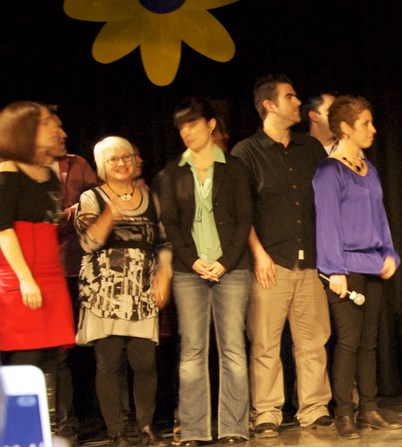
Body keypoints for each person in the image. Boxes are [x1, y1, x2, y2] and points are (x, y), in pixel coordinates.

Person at [231, 75, 334, 436]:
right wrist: (259, 255)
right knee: (265, 343)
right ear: (269, 105)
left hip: (309, 260)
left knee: (313, 341)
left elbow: (326, 201)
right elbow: (240, 212)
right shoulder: (246, 152)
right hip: (270, 262)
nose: (297, 102)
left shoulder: (310, 148)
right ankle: (266, 411)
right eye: (290, 97)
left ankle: (314, 407)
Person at [159, 97, 254, 445]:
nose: (186, 132)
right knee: (192, 350)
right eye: (181, 126)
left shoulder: (234, 166)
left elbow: (245, 218)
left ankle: (233, 427)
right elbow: (171, 222)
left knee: (233, 349)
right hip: (190, 271)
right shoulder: (173, 172)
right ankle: (195, 430)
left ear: (210, 124)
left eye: (193, 124)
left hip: (232, 268)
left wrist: (225, 261)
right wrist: (193, 261)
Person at [314, 95, 402, 438]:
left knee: (369, 342)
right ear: (345, 128)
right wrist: (334, 269)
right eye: (366, 123)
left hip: (372, 264)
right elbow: (327, 223)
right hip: (345, 267)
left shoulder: (370, 170)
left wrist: (389, 254)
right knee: (349, 342)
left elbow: (380, 217)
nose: (373, 129)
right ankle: (344, 413)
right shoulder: (329, 171)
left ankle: (369, 408)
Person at [76, 136, 170, 447]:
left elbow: (163, 243)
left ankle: (145, 428)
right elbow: (88, 242)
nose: (121, 163)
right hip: (104, 292)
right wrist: (110, 214)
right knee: (109, 363)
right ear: (102, 165)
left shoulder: (150, 198)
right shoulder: (92, 198)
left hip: (141, 290)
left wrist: (164, 275)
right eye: (113, 159)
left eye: (126, 157)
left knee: (144, 363)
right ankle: (116, 432)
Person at [0, 102, 76, 423]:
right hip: (20, 274)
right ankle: (18, 431)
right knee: (26, 354)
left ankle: (42, 429)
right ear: (25, 129)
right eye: (46, 122)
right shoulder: (7, 172)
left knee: (52, 355)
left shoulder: (48, 174)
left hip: (50, 273)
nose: (56, 129)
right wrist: (25, 278)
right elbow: (3, 229)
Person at [50, 110, 97, 444]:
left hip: (78, 265)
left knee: (85, 346)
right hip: (42, 270)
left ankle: (84, 418)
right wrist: (69, 215)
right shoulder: (20, 170)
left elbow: (96, 205)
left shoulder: (77, 164)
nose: (63, 133)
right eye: (54, 128)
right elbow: (45, 221)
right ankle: (60, 421)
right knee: (56, 351)